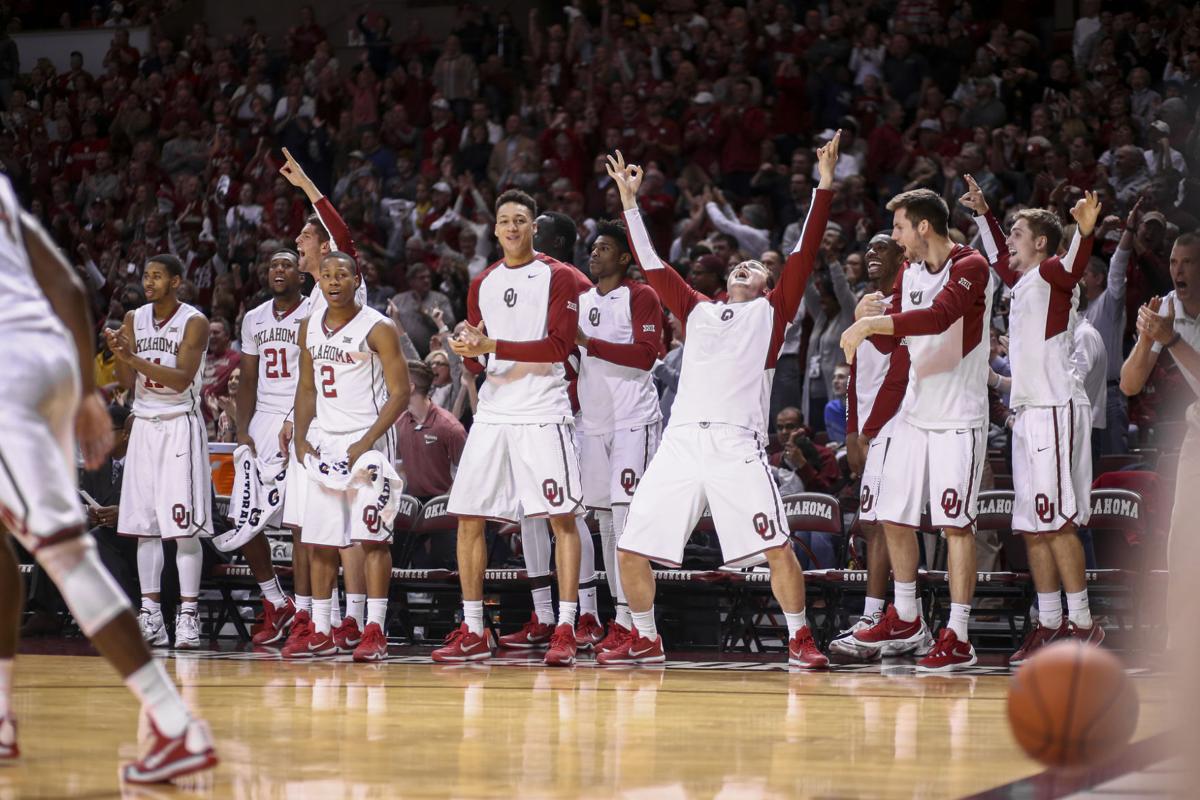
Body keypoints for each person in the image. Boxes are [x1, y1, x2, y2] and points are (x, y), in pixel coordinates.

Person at [0, 175, 215, 781]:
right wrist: (86, 388)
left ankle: (176, 723)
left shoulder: (192, 320)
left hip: (13, 371)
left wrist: (90, 393)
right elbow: (68, 286)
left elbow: (174, 376)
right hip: (49, 361)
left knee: (67, 555)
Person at [598, 133, 838, 669]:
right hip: (681, 443)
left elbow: (804, 252)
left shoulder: (772, 314)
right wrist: (630, 203)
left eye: (753, 269)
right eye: (737, 266)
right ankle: (645, 635)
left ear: (768, 286)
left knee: (776, 546)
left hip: (737, 444)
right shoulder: (697, 309)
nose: (741, 268)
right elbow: (653, 264)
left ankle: (799, 637)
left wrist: (824, 186)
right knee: (630, 547)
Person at [432, 189, 589, 667]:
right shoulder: (482, 281)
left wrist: (490, 343)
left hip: (542, 409)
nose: (513, 227)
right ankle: (475, 628)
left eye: (521, 219)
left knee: (561, 517)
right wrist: (469, 350)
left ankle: (565, 626)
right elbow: (480, 363)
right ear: (495, 229)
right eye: (505, 221)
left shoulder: (560, 277)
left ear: (534, 227)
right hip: (495, 411)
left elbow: (558, 347)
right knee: (469, 516)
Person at [839, 186, 994, 672]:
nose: (897, 238)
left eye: (901, 227)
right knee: (891, 513)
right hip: (915, 411)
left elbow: (939, 316)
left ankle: (960, 634)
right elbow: (897, 346)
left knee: (955, 526)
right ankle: (907, 617)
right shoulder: (906, 273)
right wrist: (871, 318)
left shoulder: (970, 266)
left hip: (958, 414)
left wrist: (873, 326)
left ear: (923, 226)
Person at [963, 175, 1106, 664]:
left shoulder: (1050, 274)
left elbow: (1072, 268)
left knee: (1059, 522)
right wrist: (983, 213)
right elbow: (1002, 259)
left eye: (1016, 233)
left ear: (1040, 243)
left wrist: (1084, 234)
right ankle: (1048, 623)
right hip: (1027, 414)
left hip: (1054, 407)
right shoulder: (1023, 283)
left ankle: (1083, 624)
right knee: (1033, 524)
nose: (1009, 240)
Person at [285, 251, 409, 662]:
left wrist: (369, 440)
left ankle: (374, 627)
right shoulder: (308, 328)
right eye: (326, 275)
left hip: (368, 441)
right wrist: (301, 437)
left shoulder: (379, 327)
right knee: (321, 541)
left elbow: (401, 393)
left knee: (372, 538)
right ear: (317, 281)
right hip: (326, 441)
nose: (334, 282)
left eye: (342, 275)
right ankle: (323, 627)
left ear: (358, 279)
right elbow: (306, 389)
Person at [277, 147, 373, 655]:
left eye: (306, 235)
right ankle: (319, 619)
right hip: (318, 425)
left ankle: (354, 620)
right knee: (314, 527)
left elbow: (342, 232)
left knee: (351, 529)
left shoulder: (348, 288)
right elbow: (308, 376)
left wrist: (307, 186)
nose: (298, 241)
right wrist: (296, 419)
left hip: (358, 425)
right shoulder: (312, 302)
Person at [106, 254, 211, 649]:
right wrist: (120, 354)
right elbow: (125, 379)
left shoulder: (194, 321)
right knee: (144, 527)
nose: (149, 282)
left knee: (183, 529)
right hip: (144, 421)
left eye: (157, 276)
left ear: (176, 281)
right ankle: (150, 614)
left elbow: (183, 378)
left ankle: (188, 615)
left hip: (178, 422)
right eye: (145, 275)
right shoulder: (134, 317)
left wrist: (131, 356)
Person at [573, 218, 665, 654]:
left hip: (633, 420)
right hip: (593, 423)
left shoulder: (641, 295)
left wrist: (588, 343)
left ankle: (637, 623)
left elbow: (646, 357)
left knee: (627, 523)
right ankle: (620, 618)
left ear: (625, 257)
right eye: (593, 247)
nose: (594, 253)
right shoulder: (581, 299)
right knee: (606, 524)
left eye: (604, 248)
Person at [221, 248, 310, 645]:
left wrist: (299, 419)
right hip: (263, 419)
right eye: (273, 264)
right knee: (246, 518)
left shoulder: (314, 311)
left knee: (300, 520)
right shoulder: (254, 318)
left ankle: (310, 611)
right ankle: (275, 601)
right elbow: (249, 378)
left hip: (303, 414)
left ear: (301, 276)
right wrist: (243, 433)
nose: (278, 270)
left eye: (287, 264)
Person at [1119, 233, 1200, 652]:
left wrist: (1170, 341)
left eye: (1188, 262)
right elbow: (1130, 384)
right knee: (1183, 538)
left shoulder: (1175, 327)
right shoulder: (1165, 308)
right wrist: (1148, 339)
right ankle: (1180, 644)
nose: (1178, 270)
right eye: (1173, 261)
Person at [829, 234, 909, 660]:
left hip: (901, 424)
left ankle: (878, 615)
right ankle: (879, 616)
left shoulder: (911, 298)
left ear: (903, 253)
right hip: (870, 430)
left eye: (882, 247)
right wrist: (852, 431)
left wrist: (870, 428)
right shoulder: (868, 302)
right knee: (874, 523)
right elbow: (858, 375)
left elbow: (901, 366)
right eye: (868, 250)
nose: (870, 255)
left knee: (886, 523)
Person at [823, 363, 851, 445]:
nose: (835, 381)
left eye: (841, 377)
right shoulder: (831, 408)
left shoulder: (863, 407)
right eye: (834, 377)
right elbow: (836, 441)